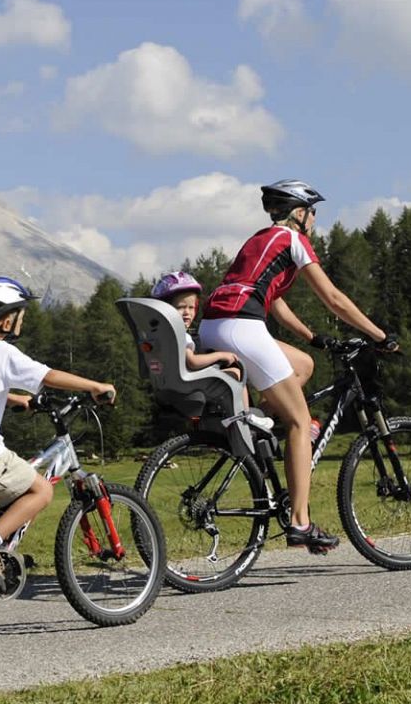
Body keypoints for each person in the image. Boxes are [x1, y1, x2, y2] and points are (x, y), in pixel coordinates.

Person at [198, 179, 395, 553]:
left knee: (303, 365)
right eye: (313, 212)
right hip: (242, 326)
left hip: (214, 326)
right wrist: (380, 335)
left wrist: (311, 338)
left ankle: (258, 428)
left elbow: (273, 301)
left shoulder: (259, 241)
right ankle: (300, 522)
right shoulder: (293, 240)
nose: (316, 220)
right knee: (301, 422)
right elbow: (334, 298)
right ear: (299, 213)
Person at [0, 276, 116, 586]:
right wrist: (96, 386)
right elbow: (48, 376)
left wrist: (17, 399)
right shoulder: (1, 352)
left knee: (17, 488)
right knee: (41, 490)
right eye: (20, 313)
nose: (23, 320)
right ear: (5, 318)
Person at [150, 271, 242, 377]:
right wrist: (220, 355)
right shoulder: (179, 335)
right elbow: (192, 362)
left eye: (191, 308)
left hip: (169, 383)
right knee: (236, 372)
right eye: (180, 307)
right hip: (189, 384)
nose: (187, 313)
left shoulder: (159, 335)